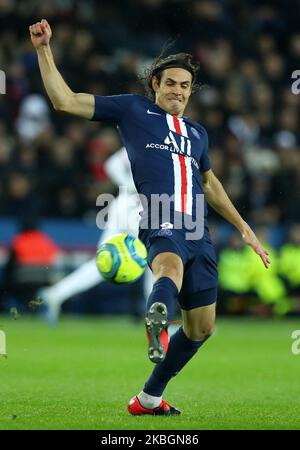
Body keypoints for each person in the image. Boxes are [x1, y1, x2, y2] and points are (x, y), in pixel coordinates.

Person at [30, 19, 270, 416]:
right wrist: (44, 49)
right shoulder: (132, 109)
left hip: (199, 229)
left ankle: (148, 399)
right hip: (159, 212)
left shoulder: (196, 134)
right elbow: (65, 101)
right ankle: (157, 318)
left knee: (201, 329)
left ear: (191, 92)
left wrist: (245, 228)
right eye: (171, 82)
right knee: (168, 268)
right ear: (155, 84)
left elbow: (210, 184)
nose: (178, 90)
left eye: (185, 85)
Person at [40, 147, 154, 324]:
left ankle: (55, 294)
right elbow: (112, 165)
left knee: (104, 260)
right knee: (154, 258)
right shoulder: (148, 140)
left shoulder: (147, 138)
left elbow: (112, 165)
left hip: (126, 206)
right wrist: (133, 187)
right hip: (134, 207)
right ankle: (158, 319)